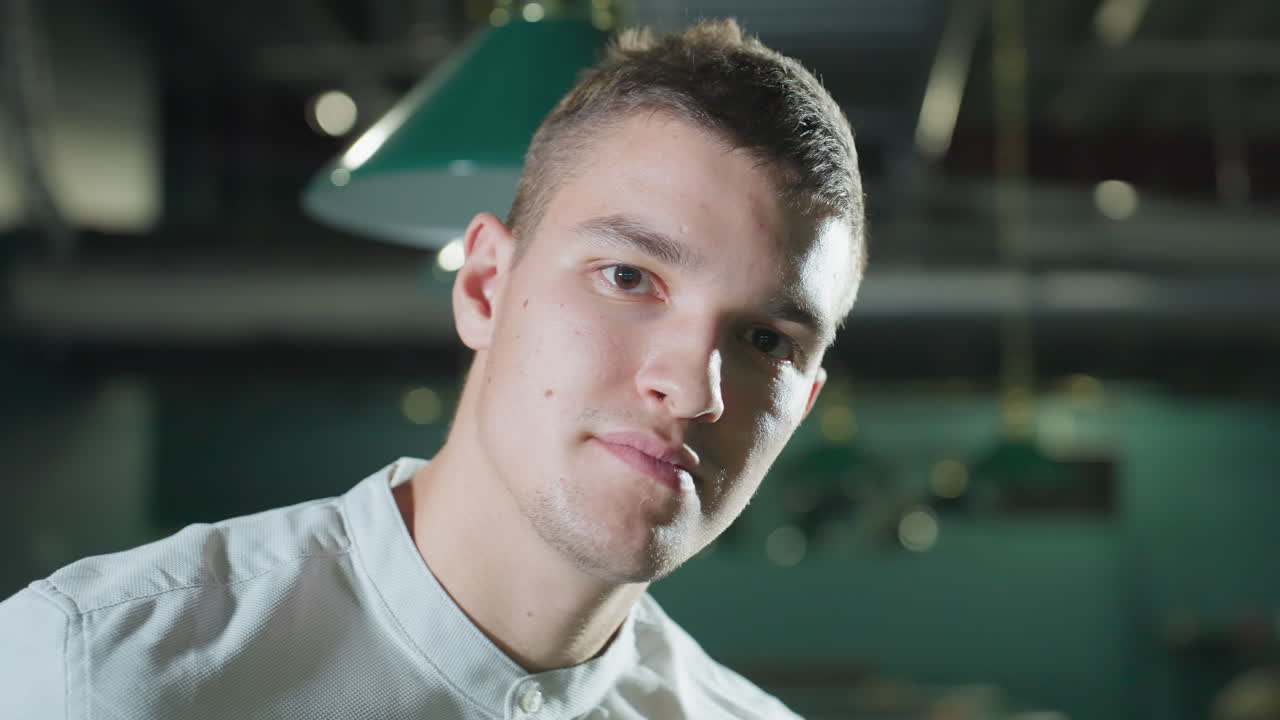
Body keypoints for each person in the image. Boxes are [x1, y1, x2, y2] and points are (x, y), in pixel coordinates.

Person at [0, 18, 865, 719]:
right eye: (629, 277)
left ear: (804, 402)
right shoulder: (92, 674)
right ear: (486, 286)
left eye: (765, 343)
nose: (693, 389)